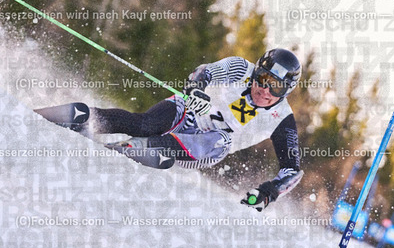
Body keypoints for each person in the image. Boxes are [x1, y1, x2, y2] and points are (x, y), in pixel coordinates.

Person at [36, 48, 304, 211]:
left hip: (204, 147)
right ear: (256, 72)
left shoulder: (282, 119)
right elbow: (204, 72)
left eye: (276, 87)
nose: (264, 90)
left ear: (287, 90)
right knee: (145, 124)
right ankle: (86, 118)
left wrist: (268, 193)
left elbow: (292, 170)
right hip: (190, 111)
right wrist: (197, 89)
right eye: (263, 79)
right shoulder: (240, 69)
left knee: (220, 140)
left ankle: (149, 148)